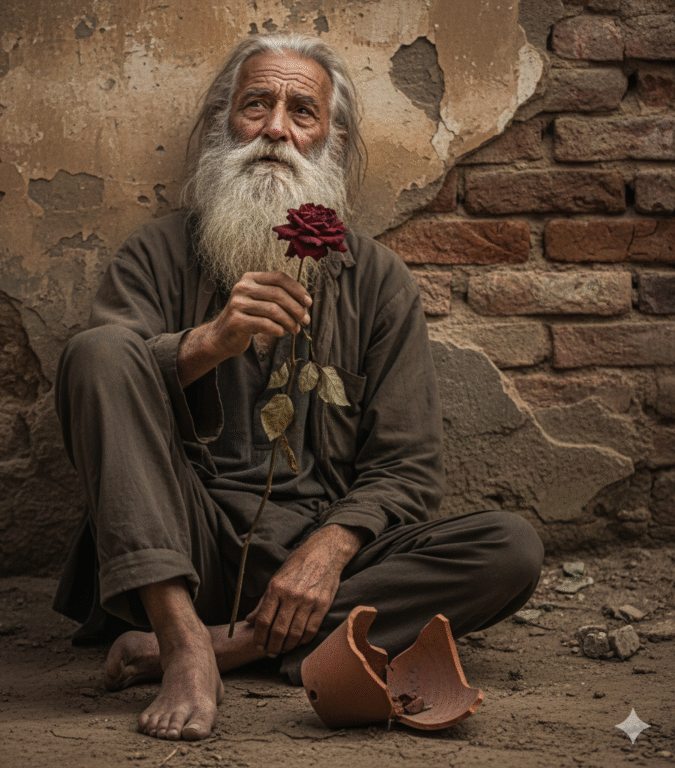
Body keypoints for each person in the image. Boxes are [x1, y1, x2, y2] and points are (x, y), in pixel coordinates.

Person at [53, 32, 544, 742]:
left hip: (321, 573)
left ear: (330, 139)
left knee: (511, 549)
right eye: (257, 105)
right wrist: (207, 344)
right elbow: (103, 385)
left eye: (302, 112)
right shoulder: (157, 254)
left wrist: (329, 549)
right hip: (178, 543)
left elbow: (408, 468)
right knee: (98, 351)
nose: (276, 129)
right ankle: (182, 638)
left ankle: (230, 646)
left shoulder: (377, 281)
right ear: (224, 123)